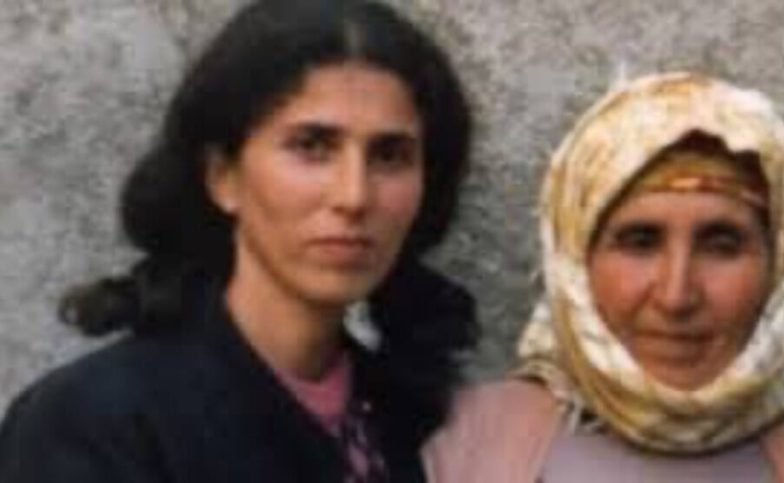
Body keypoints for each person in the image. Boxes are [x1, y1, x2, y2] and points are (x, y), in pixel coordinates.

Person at [0, 1, 477, 481]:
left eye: (390, 155)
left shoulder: (417, 423)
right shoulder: (98, 425)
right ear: (222, 176)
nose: (354, 196)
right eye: (312, 146)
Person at [423, 73, 784, 482]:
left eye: (721, 246)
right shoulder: (464, 444)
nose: (676, 296)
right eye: (640, 242)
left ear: (778, 271)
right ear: (575, 262)